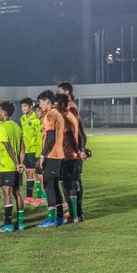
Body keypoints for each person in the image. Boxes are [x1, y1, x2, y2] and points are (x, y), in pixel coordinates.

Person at [0, 101, 26, 233]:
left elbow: (8, 147)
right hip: (17, 167)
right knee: (17, 193)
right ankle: (21, 223)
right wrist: (21, 163)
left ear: (4, 113)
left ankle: (8, 224)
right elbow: (22, 147)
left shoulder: (2, 127)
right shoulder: (17, 127)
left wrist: (16, 163)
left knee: (7, 193)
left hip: (7, 166)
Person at [57, 82, 87, 222]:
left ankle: (75, 212)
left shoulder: (70, 108)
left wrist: (79, 150)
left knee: (72, 182)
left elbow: (77, 131)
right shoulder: (70, 107)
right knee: (74, 181)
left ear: (67, 92)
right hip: (74, 149)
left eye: (60, 92)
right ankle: (77, 213)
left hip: (71, 150)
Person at [36, 90, 66, 227]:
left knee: (48, 186)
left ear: (47, 101)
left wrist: (42, 155)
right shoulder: (58, 114)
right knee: (55, 186)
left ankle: (51, 218)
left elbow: (50, 137)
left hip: (52, 156)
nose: (39, 105)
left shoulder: (49, 115)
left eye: (41, 102)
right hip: (59, 155)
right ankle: (59, 217)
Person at [55, 94, 82, 224]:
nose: (54, 106)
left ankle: (74, 215)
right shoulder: (70, 116)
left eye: (56, 103)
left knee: (68, 184)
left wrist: (76, 151)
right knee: (71, 183)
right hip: (71, 155)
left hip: (67, 155)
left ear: (62, 104)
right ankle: (75, 214)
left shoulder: (65, 117)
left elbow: (70, 136)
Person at [20, 97, 41, 206]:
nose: (23, 108)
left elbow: (39, 137)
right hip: (27, 151)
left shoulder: (36, 119)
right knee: (28, 173)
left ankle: (40, 197)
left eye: (25, 106)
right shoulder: (22, 119)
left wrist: (39, 153)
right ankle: (29, 197)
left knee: (38, 175)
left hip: (34, 150)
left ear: (30, 106)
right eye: (22, 106)